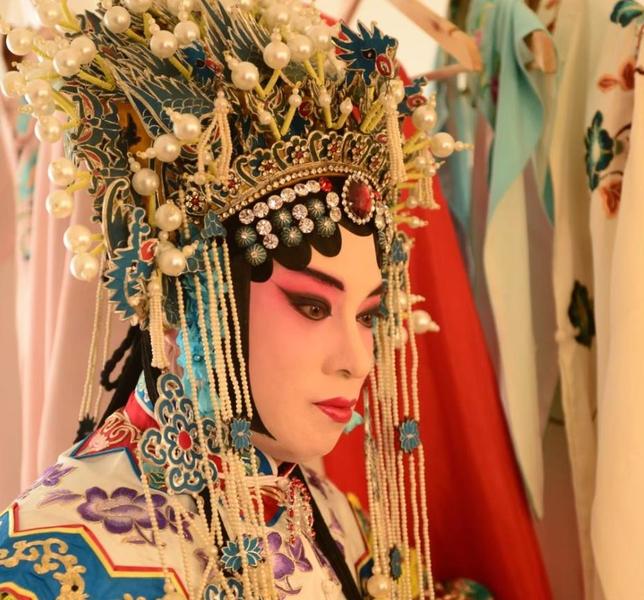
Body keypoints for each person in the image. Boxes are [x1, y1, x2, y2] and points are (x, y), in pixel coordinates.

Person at [0, 1, 492, 598]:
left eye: (368, 316)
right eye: (313, 307)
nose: (358, 361)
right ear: (194, 296)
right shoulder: (53, 561)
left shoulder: (329, 515)